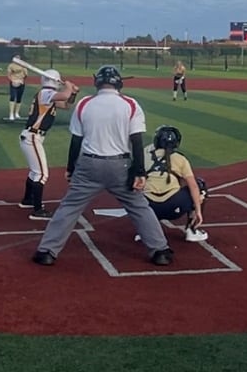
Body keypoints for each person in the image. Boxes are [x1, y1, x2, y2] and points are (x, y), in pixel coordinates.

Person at [32, 65, 172, 267]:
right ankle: (160, 251)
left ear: (97, 82)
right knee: (139, 206)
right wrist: (139, 172)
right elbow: (136, 141)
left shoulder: (84, 104)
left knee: (69, 207)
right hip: (120, 165)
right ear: (119, 83)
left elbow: (76, 141)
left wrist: (71, 168)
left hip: (89, 165)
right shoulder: (130, 104)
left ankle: (47, 251)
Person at [134, 125, 208, 242]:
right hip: (174, 207)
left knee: (136, 190)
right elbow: (193, 186)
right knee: (200, 186)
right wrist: (198, 211)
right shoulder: (180, 159)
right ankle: (192, 230)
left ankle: (145, 230)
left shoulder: (145, 154)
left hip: (148, 209)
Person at [18, 70, 75, 218]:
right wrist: (69, 86)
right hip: (32, 137)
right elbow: (64, 95)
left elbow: (66, 105)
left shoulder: (47, 95)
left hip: (32, 137)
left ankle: (27, 200)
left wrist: (73, 93)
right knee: (41, 173)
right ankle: (37, 210)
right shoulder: (45, 93)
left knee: (35, 172)